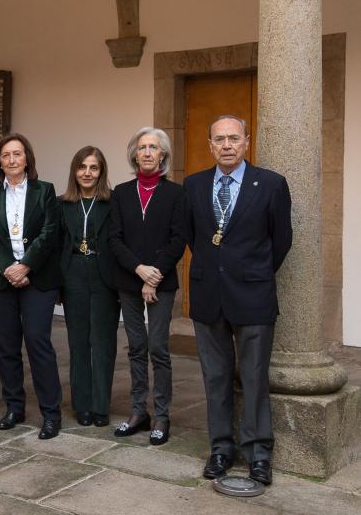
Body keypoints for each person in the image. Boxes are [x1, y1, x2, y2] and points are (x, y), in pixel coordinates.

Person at [185, 115, 292, 485]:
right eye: (219, 139)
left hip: (253, 296)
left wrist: (249, 270)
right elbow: (192, 236)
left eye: (234, 138)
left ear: (247, 141)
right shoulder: (194, 185)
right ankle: (220, 449)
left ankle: (259, 454)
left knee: (254, 378)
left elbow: (281, 241)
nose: (227, 145)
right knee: (215, 378)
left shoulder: (272, 184)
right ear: (209, 145)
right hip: (207, 297)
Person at [0, 133, 63, 440]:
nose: (12, 159)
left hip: (37, 278)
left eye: (17, 154)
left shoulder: (45, 191)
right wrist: (9, 268)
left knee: (38, 343)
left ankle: (51, 413)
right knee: (7, 347)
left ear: (27, 158)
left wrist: (26, 265)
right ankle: (14, 407)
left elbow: (49, 233)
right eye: (5, 155)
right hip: (1, 281)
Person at [108, 127, 186, 446]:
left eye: (154, 147)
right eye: (142, 147)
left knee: (158, 348)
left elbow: (178, 239)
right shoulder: (122, 193)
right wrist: (140, 271)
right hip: (129, 279)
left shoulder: (176, 194)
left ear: (163, 155)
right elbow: (114, 238)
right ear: (134, 154)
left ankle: (162, 415)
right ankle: (138, 412)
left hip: (162, 282)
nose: (148, 153)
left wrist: (154, 275)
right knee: (136, 348)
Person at [58, 146, 118, 429]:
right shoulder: (62, 204)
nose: (87, 173)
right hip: (73, 275)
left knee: (103, 343)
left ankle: (100, 406)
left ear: (101, 172)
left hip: (104, 275)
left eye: (94, 167)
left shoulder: (113, 202)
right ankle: (82, 405)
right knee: (78, 342)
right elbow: (56, 246)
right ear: (74, 170)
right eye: (82, 166)